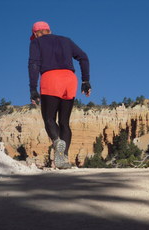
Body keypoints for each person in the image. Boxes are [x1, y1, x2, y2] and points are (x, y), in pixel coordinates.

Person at [28, 21, 91, 169]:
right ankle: (64, 158)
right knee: (64, 122)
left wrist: (33, 88)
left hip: (51, 79)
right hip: (69, 79)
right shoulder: (66, 40)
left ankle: (57, 141)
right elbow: (83, 57)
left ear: (36, 33)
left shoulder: (36, 43)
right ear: (49, 30)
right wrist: (86, 80)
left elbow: (34, 64)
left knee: (49, 118)